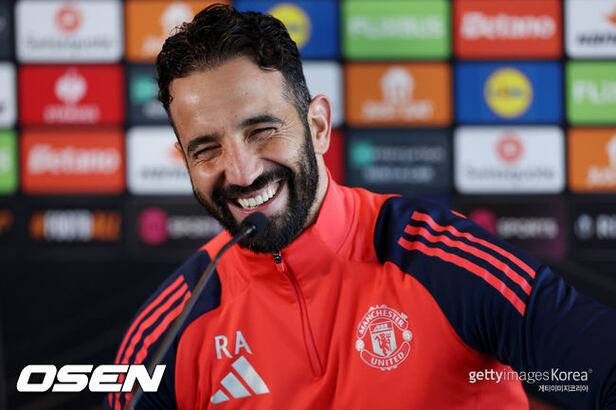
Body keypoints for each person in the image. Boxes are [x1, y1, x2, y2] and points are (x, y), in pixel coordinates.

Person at [107, 4, 616, 409]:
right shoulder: (168, 332)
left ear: (317, 126)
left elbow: (594, 371)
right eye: (207, 149)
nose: (240, 172)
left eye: (261, 131)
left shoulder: (440, 261)